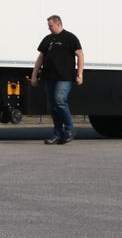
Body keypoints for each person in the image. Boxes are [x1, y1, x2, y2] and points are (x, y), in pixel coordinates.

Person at [30, 14, 84, 145]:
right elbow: (40, 57)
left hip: (64, 78)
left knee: (60, 100)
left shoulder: (70, 38)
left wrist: (80, 74)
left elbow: (80, 55)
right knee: (53, 106)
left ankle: (70, 130)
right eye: (48, 26)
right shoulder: (47, 39)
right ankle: (57, 133)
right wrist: (34, 75)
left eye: (51, 26)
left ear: (58, 24)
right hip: (49, 77)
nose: (49, 28)